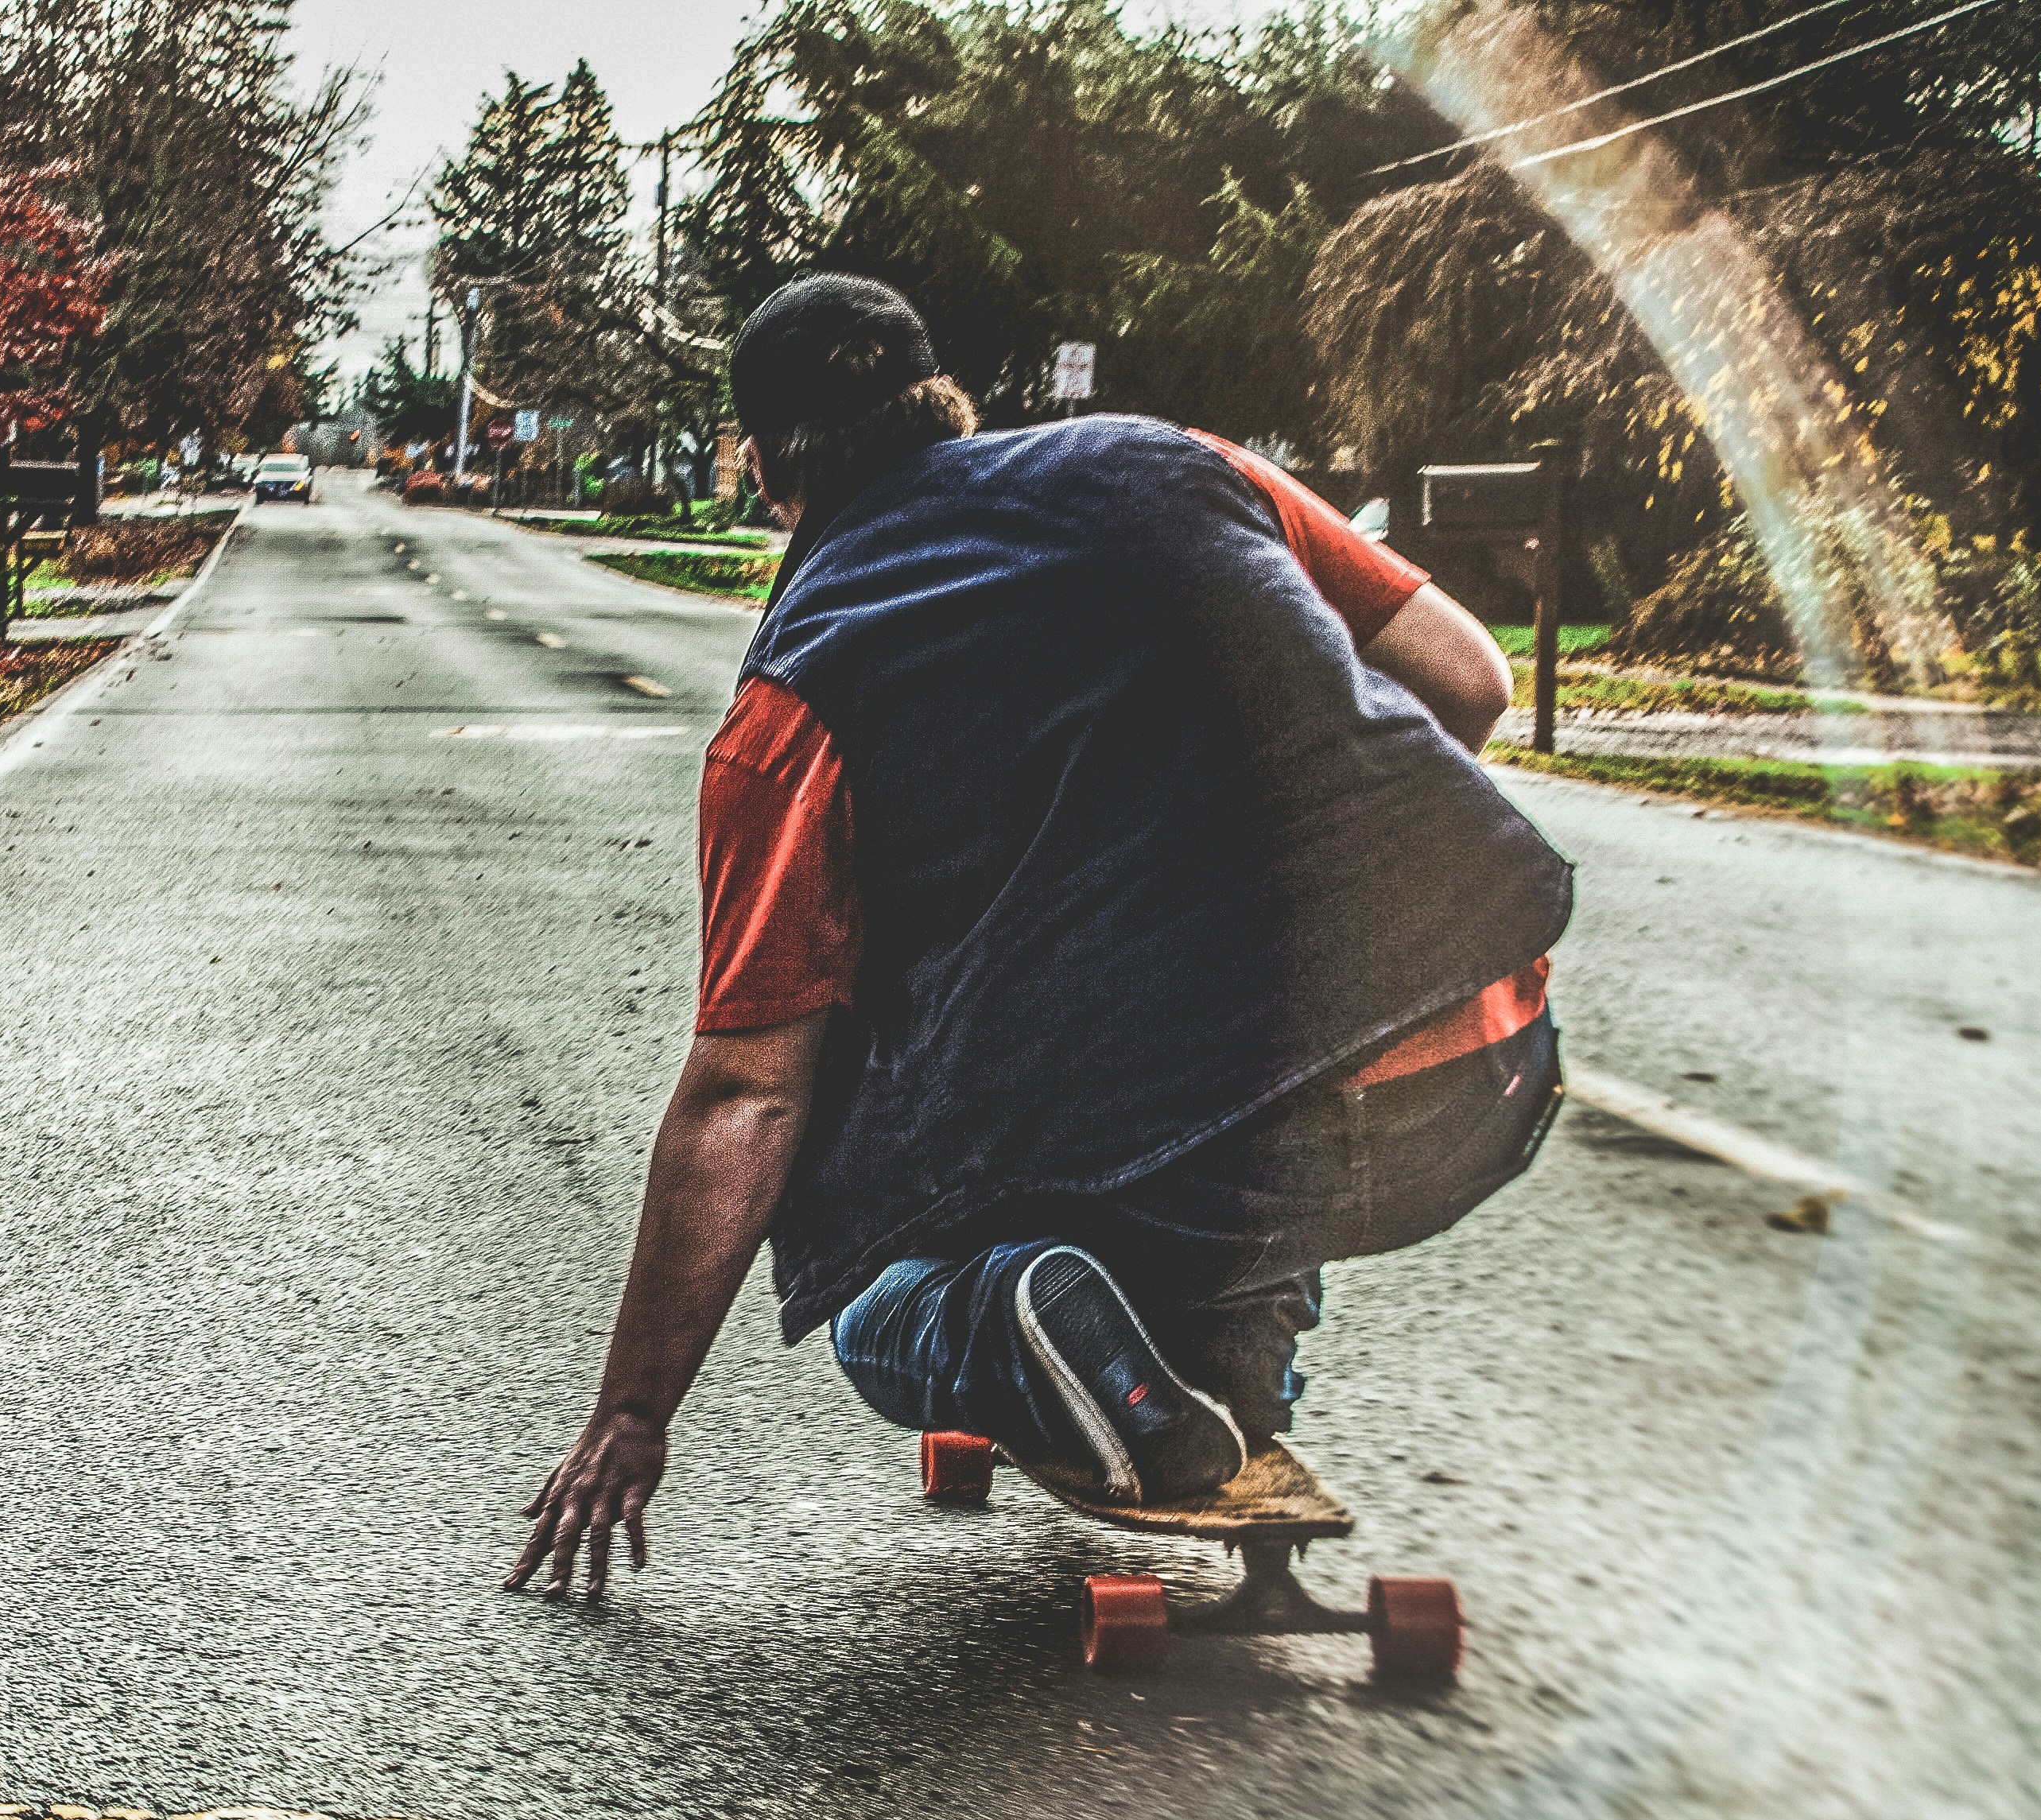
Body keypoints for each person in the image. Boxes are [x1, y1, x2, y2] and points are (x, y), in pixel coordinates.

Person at [507, 276, 1573, 1599]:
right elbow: (1469, 679)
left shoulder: (799, 690)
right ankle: (1206, 1401)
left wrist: (633, 1414)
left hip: (1192, 1149)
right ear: (943, 398)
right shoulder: (1175, 461)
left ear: (765, 471)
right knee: (1253, 1092)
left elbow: (747, 1098)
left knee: (881, 1294)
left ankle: (1020, 1333)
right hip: (1485, 1074)